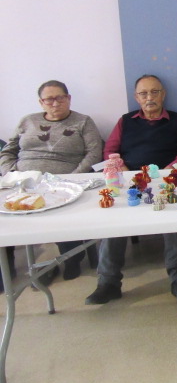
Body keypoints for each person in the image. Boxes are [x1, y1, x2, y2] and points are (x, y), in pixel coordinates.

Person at [85, 74, 177, 305]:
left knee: (174, 217)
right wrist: (124, 170)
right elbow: (110, 150)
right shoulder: (125, 121)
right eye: (144, 93)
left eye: (154, 92)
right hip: (129, 180)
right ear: (136, 97)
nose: (149, 97)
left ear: (163, 95)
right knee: (113, 219)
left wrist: (170, 170)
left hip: (167, 180)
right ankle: (108, 283)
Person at [0, 80, 103, 282]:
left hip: (63, 183)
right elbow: (8, 151)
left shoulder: (83, 122)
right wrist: (10, 173)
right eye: (49, 99)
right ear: (41, 102)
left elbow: (93, 153)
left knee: (63, 211)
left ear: (69, 98)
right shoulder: (27, 121)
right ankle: (5, 270)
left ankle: (70, 257)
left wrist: (72, 178)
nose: (55, 103)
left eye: (60, 98)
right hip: (21, 182)